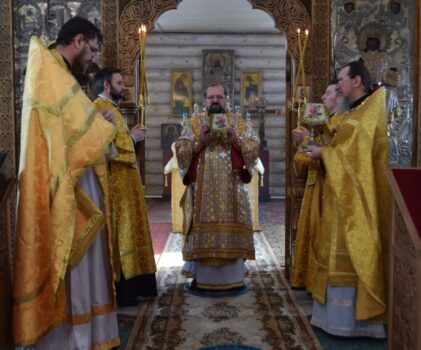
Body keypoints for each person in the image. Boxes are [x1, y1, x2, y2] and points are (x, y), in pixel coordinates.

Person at [13, 17, 120, 348]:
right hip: (67, 186)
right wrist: (101, 124)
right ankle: (72, 336)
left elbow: (70, 124)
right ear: (79, 40)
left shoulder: (56, 71)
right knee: (73, 261)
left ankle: (83, 330)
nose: (93, 57)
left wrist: (92, 118)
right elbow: (68, 132)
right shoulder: (50, 69)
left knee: (81, 262)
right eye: (93, 49)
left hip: (74, 180)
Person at [304, 60, 391, 337]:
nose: (338, 84)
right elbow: (344, 145)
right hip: (342, 196)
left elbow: (354, 156)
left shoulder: (370, 109)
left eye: (341, 79)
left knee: (353, 250)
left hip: (358, 200)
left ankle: (358, 324)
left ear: (357, 81)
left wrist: (323, 153)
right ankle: (334, 319)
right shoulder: (356, 110)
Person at [175, 83, 260, 292]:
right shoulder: (195, 123)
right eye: (211, 97)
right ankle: (202, 277)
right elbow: (181, 148)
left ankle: (233, 277)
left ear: (226, 99)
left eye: (219, 97)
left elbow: (254, 145)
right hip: (203, 193)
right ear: (204, 100)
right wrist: (199, 141)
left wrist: (236, 140)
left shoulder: (238, 123)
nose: (215, 101)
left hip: (232, 191)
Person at [94, 68, 157, 306]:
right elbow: (105, 148)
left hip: (126, 185)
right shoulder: (99, 109)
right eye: (120, 83)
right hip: (115, 187)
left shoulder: (113, 110)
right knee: (122, 235)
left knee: (132, 232)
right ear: (107, 86)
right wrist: (131, 138)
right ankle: (124, 289)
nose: (125, 87)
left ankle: (137, 286)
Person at [290, 80, 344, 291]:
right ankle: (310, 280)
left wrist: (305, 141)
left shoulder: (341, 123)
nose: (322, 98)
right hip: (317, 184)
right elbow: (308, 156)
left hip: (327, 187)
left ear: (339, 97)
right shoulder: (330, 123)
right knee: (311, 229)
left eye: (328, 93)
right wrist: (304, 141)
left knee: (318, 231)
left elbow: (329, 155)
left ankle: (318, 283)